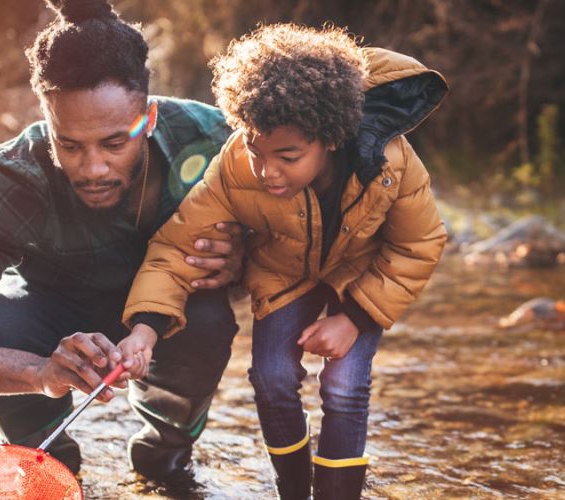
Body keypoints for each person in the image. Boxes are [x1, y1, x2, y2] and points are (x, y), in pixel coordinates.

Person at [0, 0, 244, 482]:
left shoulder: (213, 139)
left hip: (171, 318)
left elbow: (310, 230)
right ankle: (50, 468)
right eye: (69, 144)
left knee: (210, 315)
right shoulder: (15, 175)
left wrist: (243, 259)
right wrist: (37, 373)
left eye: (115, 143)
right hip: (49, 316)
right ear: (46, 119)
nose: (92, 168)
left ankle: (164, 452)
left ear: (148, 117)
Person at [117, 24, 449, 499]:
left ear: (331, 139)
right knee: (271, 379)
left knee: (345, 385)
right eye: (256, 151)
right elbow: (176, 246)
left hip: (360, 277)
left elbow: (420, 243)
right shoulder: (235, 166)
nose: (266, 171)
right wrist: (146, 328)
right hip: (283, 273)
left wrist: (353, 318)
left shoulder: (390, 164)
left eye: (288, 156)